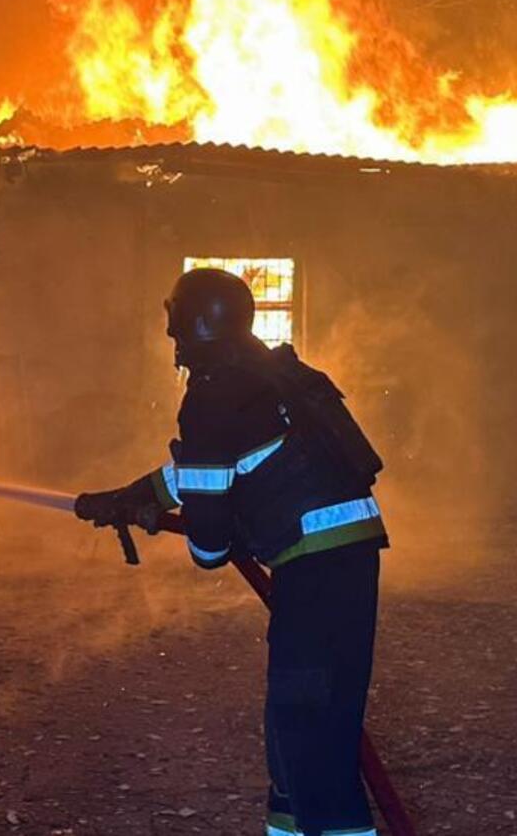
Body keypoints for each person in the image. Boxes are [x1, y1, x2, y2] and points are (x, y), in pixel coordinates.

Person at [74, 267, 388, 836]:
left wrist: (194, 526)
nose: (174, 346)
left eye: (177, 335)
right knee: (307, 719)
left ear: (197, 328)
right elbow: (221, 462)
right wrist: (133, 497)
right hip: (346, 553)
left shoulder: (212, 394)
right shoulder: (272, 373)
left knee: (306, 723)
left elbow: (210, 545)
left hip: (314, 565)